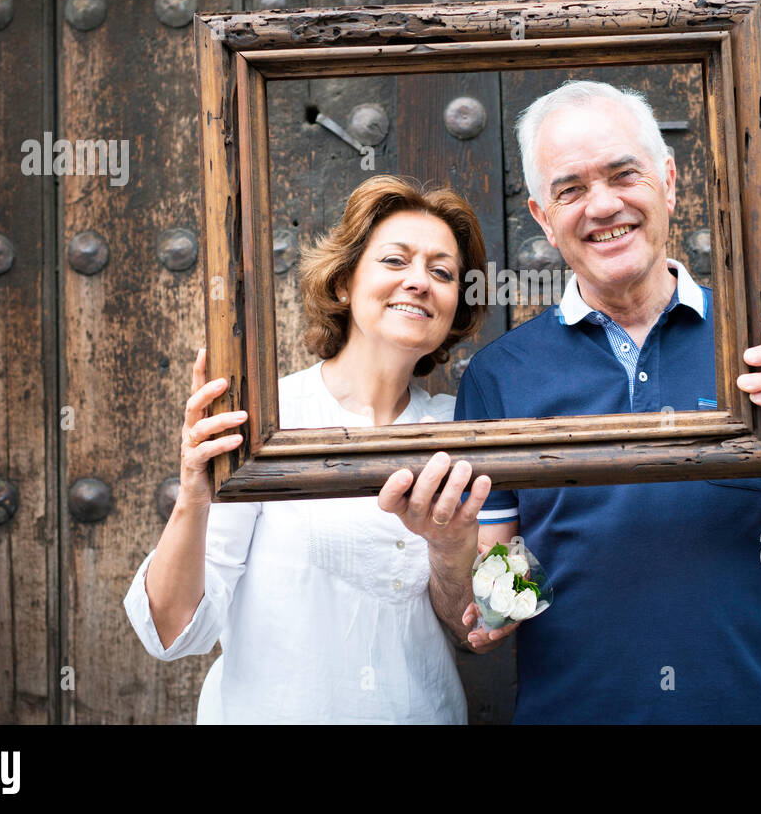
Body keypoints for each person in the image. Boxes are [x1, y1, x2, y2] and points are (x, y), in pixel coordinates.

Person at [380, 80, 761, 723]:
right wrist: (449, 550)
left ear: (669, 182)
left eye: (624, 174)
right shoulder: (502, 377)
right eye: (570, 189)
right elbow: (486, 620)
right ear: (542, 216)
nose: (602, 205)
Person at [123, 175, 493, 723]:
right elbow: (174, 631)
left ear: (454, 307)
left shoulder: (460, 431)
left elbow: (476, 629)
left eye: (442, 272)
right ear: (343, 282)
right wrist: (194, 496)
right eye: (395, 261)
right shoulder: (267, 422)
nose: (419, 281)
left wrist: (451, 546)